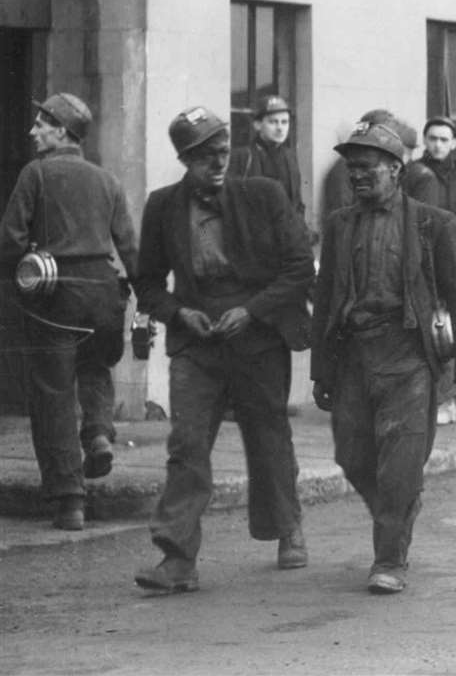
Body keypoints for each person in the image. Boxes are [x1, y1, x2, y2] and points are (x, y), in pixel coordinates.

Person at [134, 107, 314, 593]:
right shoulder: (163, 206)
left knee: (268, 435)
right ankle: (176, 559)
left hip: (257, 337)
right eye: (204, 156)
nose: (217, 163)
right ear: (183, 158)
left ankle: (287, 527)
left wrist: (252, 310)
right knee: (187, 444)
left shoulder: (264, 195)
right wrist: (177, 313)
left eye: (222, 151)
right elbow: (147, 282)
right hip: (197, 340)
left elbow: (300, 269)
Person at [311, 118, 456, 594]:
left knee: (401, 464)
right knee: (352, 456)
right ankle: (399, 509)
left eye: (368, 168)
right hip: (354, 357)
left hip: (409, 358)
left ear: (395, 169)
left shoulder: (434, 224)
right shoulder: (340, 225)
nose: (358, 177)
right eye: (352, 169)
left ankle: (390, 558)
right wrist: (320, 371)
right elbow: (325, 301)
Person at [0, 93, 137, 530]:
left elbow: (10, 239)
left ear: (62, 132)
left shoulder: (35, 174)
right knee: (95, 367)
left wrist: (24, 266)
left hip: (57, 295)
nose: (32, 131)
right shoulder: (107, 180)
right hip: (104, 293)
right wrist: (146, 299)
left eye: (42, 124)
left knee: (53, 393)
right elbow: (131, 248)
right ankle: (98, 433)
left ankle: (69, 500)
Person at [401, 116, 456, 424]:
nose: (437, 145)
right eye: (432, 139)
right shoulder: (416, 175)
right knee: (432, 325)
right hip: (425, 257)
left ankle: (449, 394)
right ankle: (437, 397)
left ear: (454, 144)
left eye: (443, 140)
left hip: (454, 257)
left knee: (451, 324)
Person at [229, 95, 310, 235]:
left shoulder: (289, 157)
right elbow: (231, 204)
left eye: (285, 122)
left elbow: (297, 204)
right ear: (257, 124)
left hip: (285, 239)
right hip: (252, 240)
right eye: (273, 122)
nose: (280, 128)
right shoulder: (242, 157)